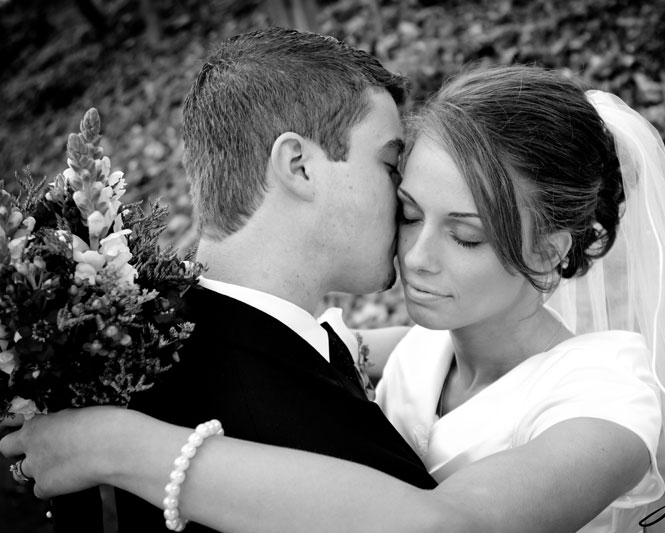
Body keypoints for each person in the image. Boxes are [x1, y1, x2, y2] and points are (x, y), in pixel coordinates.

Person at [2, 66, 665, 532]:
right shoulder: (427, 340)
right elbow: (289, 337)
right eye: (410, 212)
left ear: (553, 246)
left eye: (467, 236)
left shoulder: (614, 403)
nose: (416, 256)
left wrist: (121, 448)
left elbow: (445, 525)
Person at [40, 26, 437, 532]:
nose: (406, 196)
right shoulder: (317, 444)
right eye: (389, 164)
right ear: (299, 167)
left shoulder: (149, 342)